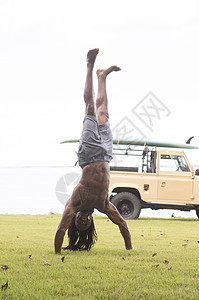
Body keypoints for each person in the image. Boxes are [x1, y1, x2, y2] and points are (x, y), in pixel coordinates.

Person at [54, 48, 132, 254]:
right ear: (91, 223)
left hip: (88, 154)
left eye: (79, 221)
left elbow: (61, 229)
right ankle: (102, 76)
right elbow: (123, 224)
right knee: (103, 111)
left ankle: (89, 65)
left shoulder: (76, 202)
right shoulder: (104, 205)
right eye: (86, 223)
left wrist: (57, 253)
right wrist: (129, 248)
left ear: (75, 219)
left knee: (89, 108)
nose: (84, 219)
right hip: (106, 153)